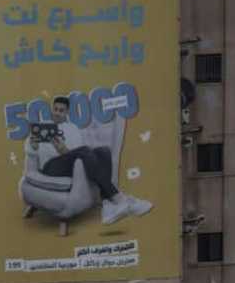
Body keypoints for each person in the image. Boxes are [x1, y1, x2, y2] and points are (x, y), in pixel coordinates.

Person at [31, 96, 152, 225]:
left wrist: (62, 149)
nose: (57, 113)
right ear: (52, 109)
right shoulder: (42, 127)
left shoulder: (71, 129)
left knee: (103, 151)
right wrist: (34, 144)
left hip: (68, 166)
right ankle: (118, 198)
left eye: (61, 110)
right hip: (48, 167)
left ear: (66, 112)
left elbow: (75, 156)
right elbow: (32, 152)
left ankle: (107, 205)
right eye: (55, 109)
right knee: (84, 150)